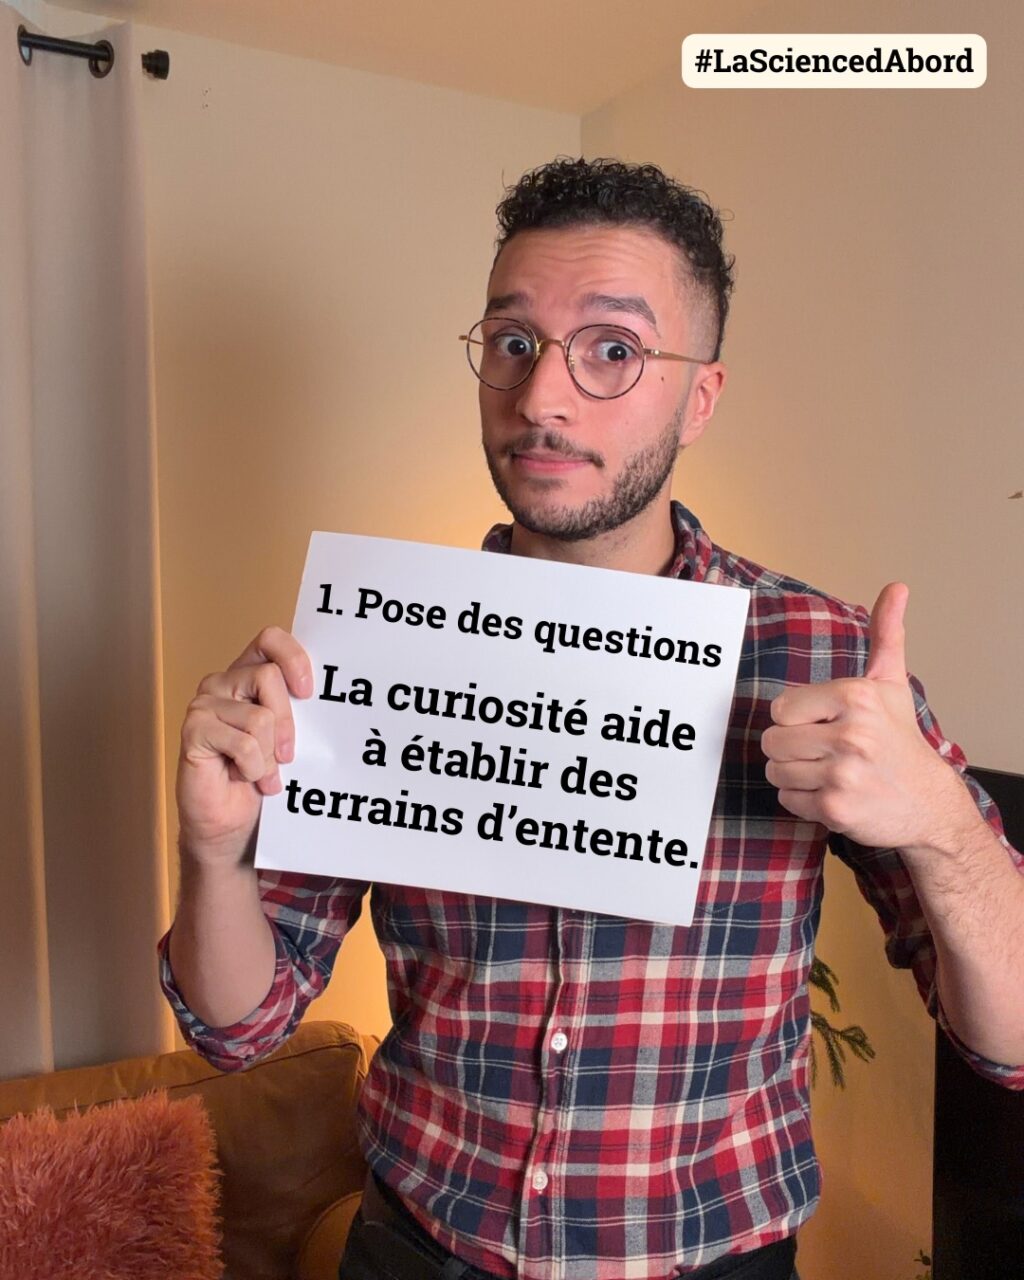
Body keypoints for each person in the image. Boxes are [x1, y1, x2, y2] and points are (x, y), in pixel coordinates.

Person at [160, 157, 1024, 1280]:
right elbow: (242, 1026)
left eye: (612, 349)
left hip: (714, 1258)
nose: (541, 399)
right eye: (513, 341)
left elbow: (1010, 1043)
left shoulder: (822, 655)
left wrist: (943, 824)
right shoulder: (381, 650)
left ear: (699, 398)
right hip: (417, 1248)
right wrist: (214, 852)